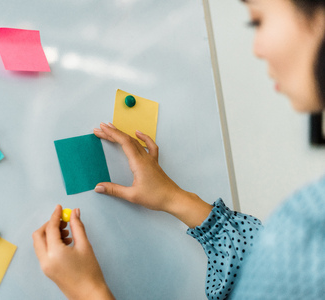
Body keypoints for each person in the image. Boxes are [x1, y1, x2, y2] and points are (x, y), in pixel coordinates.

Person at [32, 0, 325, 299]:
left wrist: (88, 291)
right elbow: (263, 267)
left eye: (258, 21)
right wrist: (174, 198)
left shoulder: (312, 218)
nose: (257, 49)